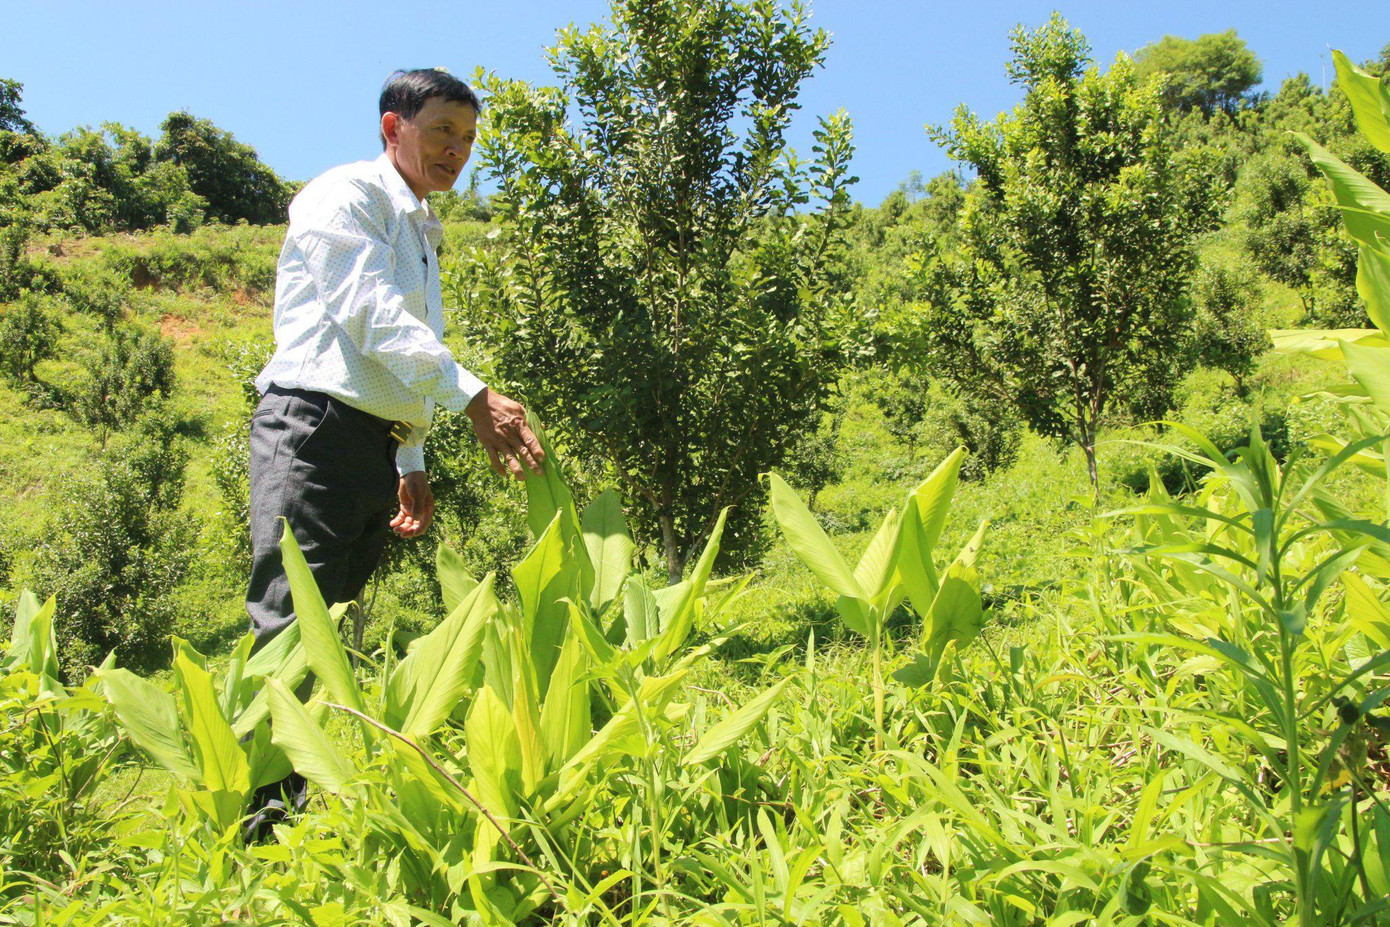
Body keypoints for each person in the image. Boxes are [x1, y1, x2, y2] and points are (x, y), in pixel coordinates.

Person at [241, 68, 544, 841]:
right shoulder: (345, 197)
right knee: (291, 624)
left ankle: (310, 819)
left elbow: (395, 360)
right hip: (313, 430)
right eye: (442, 130)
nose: (457, 150)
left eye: (469, 138)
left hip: (368, 445)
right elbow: (369, 316)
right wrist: (474, 396)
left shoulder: (419, 229)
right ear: (391, 128)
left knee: (333, 627)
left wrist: (409, 462)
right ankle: (261, 833)